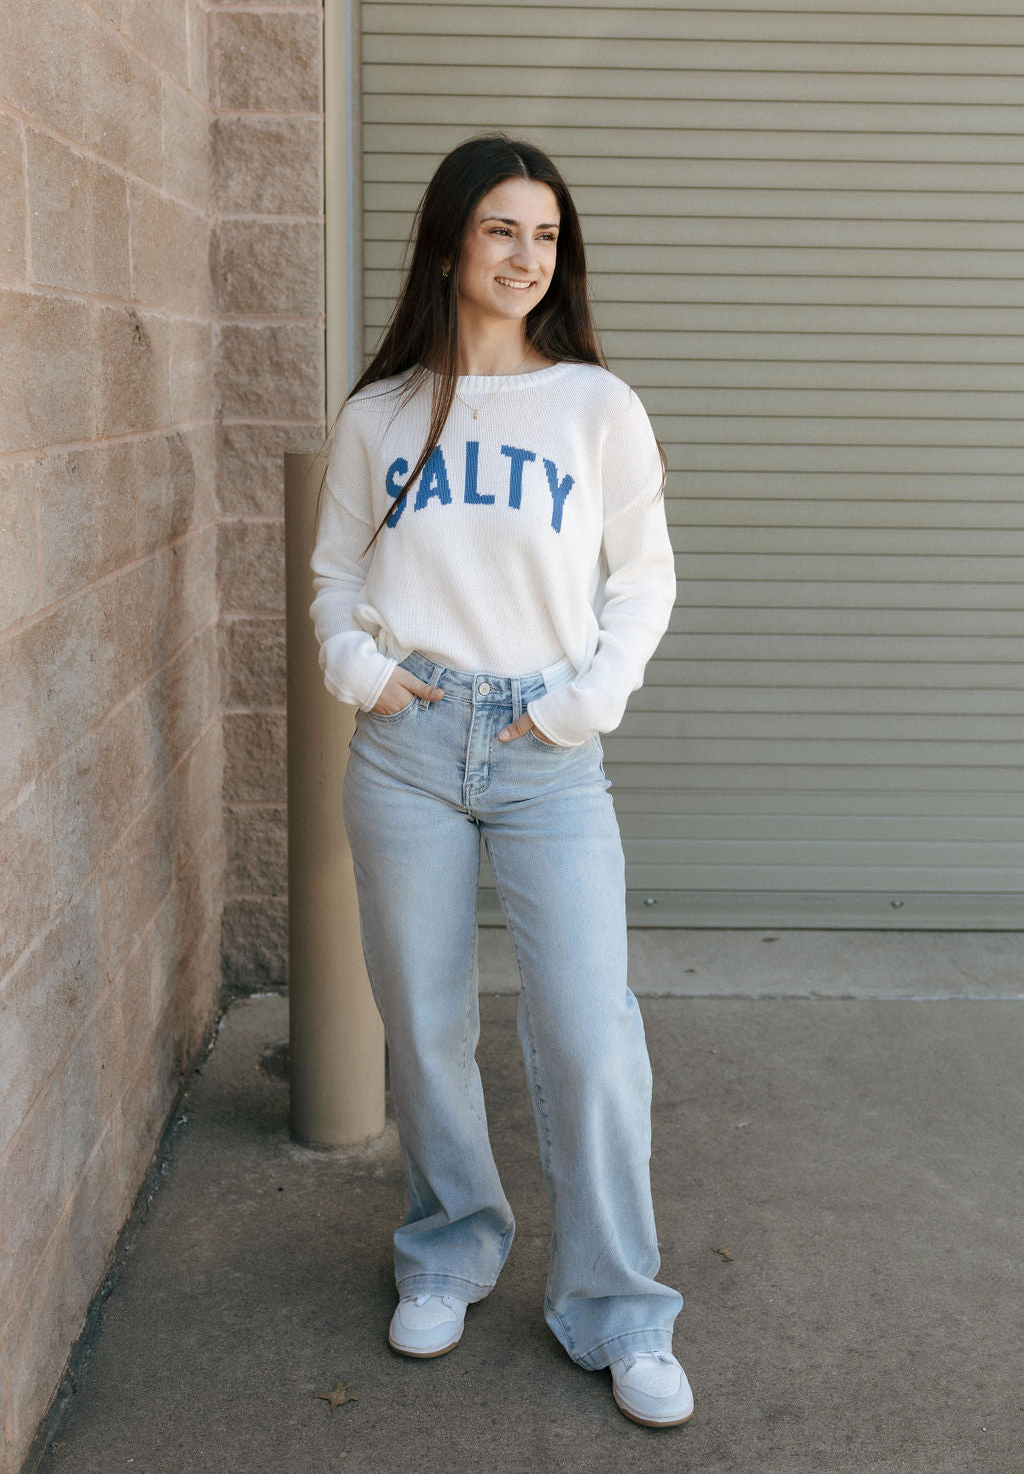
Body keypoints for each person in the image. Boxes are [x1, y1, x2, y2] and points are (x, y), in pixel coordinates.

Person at [309, 134, 692, 1428]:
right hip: (408, 747)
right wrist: (360, 670)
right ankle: (449, 1247)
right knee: (424, 1025)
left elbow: (645, 580)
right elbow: (335, 574)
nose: (527, 257)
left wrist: (582, 702)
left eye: (545, 236)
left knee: (589, 1035)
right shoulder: (379, 414)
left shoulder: (596, 407)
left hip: (548, 752)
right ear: (449, 243)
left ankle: (618, 1309)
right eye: (500, 230)